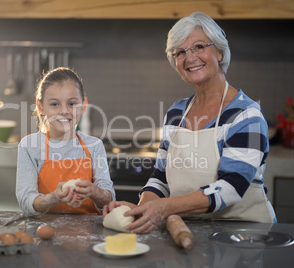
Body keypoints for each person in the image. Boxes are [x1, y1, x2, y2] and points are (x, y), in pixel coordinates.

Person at [103, 12, 276, 233]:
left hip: (244, 237)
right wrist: (141, 210)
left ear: (220, 53)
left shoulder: (246, 115)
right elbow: (161, 177)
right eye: (180, 52)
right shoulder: (177, 113)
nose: (190, 57)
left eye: (199, 47)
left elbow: (231, 187)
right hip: (187, 230)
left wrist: (163, 208)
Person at [16, 67, 115, 216]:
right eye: (55, 104)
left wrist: (94, 191)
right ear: (41, 107)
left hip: (90, 235)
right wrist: (53, 197)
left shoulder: (94, 146)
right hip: (44, 231)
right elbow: (26, 203)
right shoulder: (30, 146)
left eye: (72, 104)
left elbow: (109, 200)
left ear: (83, 106)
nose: (64, 111)